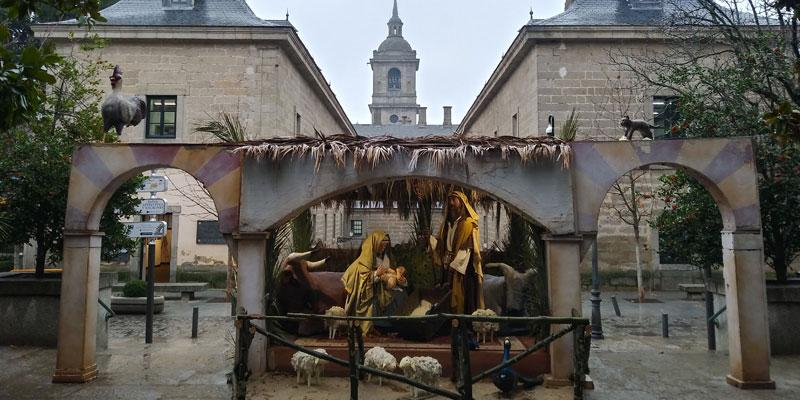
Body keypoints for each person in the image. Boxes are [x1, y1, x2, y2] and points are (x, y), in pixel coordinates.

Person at [430, 191, 485, 315]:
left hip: (462, 271)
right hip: (447, 266)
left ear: (462, 203)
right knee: (446, 297)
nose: (451, 203)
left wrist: (454, 266)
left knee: (463, 299)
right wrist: (430, 241)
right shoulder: (446, 224)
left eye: (454, 200)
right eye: (449, 201)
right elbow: (441, 245)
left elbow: (467, 248)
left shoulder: (467, 224)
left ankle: (462, 326)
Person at [342, 231, 405, 334]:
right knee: (390, 298)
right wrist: (377, 274)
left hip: (377, 287)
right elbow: (363, 279)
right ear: (376, 244)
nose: (383, 248)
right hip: (364, 294)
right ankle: (380, 326)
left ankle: (393, 326)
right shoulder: (364, 260)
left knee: (400, 294)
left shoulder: (379, 257)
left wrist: (395, 277)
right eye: (382, 246)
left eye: (385, 246)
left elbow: (388, 272)